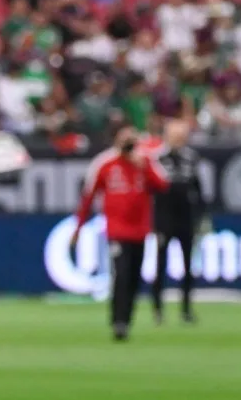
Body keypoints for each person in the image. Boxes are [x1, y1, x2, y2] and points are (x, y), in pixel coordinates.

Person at [72, 126, 170, 341]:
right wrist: (78, 227)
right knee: (122, 275)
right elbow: (88, 196)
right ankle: (118, 321)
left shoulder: (145, 161)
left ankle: (127, 319)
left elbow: (163, 184)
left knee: (135, 277)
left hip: (140, 230)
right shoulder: (105, 163)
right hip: (117, 230)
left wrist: (144, 165)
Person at [151, 120, 207, 324]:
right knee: (160, 265)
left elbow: (198, 189)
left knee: (187, 265)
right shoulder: (157, 158)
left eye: (181, 136)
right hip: (164, 218)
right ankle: (158, 310)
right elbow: (151, 191)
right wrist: (153, 221)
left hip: (185, 217)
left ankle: (186, 309)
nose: (178, 139)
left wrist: (201, 217)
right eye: (175, 135)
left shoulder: (191, 157)